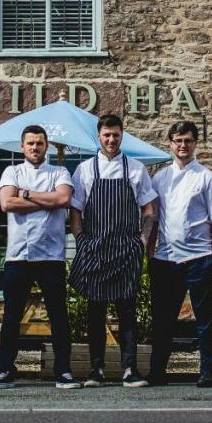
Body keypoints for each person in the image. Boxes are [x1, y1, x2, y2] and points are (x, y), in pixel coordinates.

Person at [68, 113, 157, 388]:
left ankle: (129, 369)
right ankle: (96, 371)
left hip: (126, 250)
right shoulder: (84, 169)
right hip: (95, 249)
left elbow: (149, 209)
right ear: (99, 136)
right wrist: (81, 239)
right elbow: (76, 210)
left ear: (122, 136)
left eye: (115, 135)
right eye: (106, 135)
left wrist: (142, 241)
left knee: (127, 313)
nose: (111, 139)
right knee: (95, 314)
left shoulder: (136, 168)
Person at [0, 125, 80, 390]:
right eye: (30, 143)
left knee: (58, 316)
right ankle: (6, 370)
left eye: (39, 143)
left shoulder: (60, 172)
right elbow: (7, 203)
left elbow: (64, 199)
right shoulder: (12, 171)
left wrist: (27, 194)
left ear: (46, 146)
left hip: (51, 255)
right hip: (19, 255)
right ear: (22, 147)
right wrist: (47, 201)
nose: (35, 147)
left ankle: (63, 371)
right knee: (11, 316)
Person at [147, 121, 212, 387]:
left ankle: (208, 371)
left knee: (205, 322)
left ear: (195, 144)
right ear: (170, 143)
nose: (183, 145)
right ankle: (157, 371)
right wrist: (149, 254)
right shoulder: (160, 178)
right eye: (178, 140)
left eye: (188, 141)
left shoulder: (206, 177)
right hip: (166, 260)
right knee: (162, 320)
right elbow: (154, 220)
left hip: (199, 259)